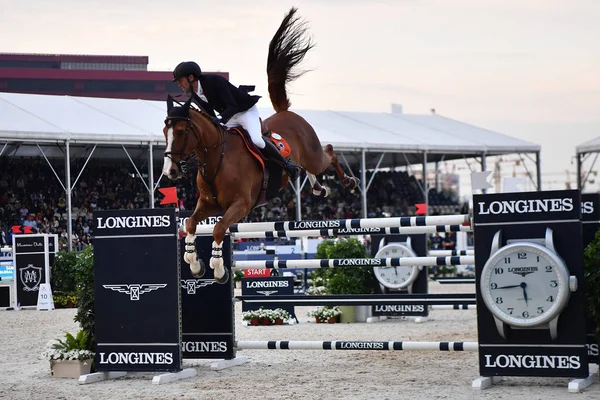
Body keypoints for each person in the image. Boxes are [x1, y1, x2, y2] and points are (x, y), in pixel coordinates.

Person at [171, 61, 301, 181]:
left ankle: (287, 165)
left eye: (180, 80)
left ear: (191, 77)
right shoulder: (195, 95)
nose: (179, 84)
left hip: (245, 111)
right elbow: (210, 115)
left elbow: (232, 106)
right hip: (230, 117)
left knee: (257, 140)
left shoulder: (214, 81)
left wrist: (220, 119)